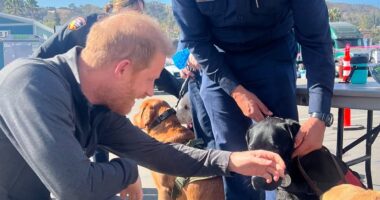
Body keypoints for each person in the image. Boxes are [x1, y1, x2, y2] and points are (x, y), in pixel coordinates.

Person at [0, 12, 286, 200]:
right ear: (122, 68)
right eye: (150, 79)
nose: (150, 91)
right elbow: (76, 189)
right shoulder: (32, 82)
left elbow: (157, 152)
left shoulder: (96, 107)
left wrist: (232, 161)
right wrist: (128, 171)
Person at [172, 1, 335, 199]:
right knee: (235, 163)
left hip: (273, 53)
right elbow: (195, 40)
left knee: (288, 158)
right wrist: (235, 91)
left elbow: (316, 40)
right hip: (218, 60)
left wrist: (319, 115)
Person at [33, 0, 182, 163]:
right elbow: (44, 53)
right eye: (135, 14)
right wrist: (33, 86)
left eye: (142, 14)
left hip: (103, 104)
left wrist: (180, 90)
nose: (139, 20)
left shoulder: (132, 40)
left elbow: (149, 72)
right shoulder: (87, 25)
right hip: (68, 101)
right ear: (119, 8)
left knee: (109, 141)